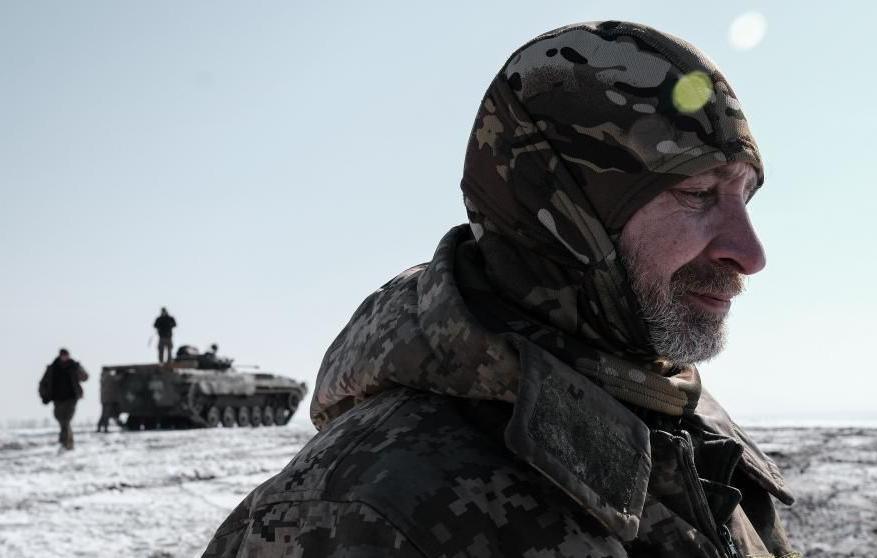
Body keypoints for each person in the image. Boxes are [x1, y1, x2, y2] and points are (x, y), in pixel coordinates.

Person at [204, 21, 800, 558]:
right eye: (697, 194)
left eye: (744, 198)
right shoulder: (365, 512)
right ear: (563, 216)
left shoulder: (693, 436)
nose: (750, 254)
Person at [38, 348, 89, 451]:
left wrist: (79, 369)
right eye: (63, 355)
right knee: (60, 418)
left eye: (66, 355)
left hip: (71, 398)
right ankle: (65, 441)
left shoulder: (74, 366)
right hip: (57, 398)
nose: (65, 357)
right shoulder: (53, 368)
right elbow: (43, 383)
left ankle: (67, 443)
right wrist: (44, 395)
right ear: (60, 356)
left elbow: (85, 377)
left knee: (66, 420)